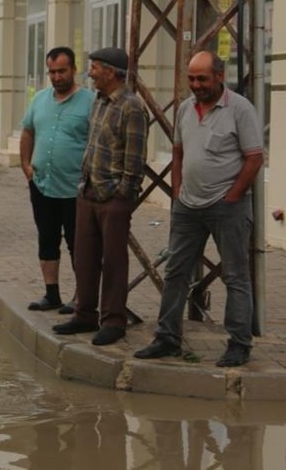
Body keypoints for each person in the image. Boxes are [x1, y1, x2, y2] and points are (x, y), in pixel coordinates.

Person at [135, 51, 263, 367]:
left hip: (227, 207)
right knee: (176, 271)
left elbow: (255, 158)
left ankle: (239, 344)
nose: (196, 85)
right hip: (187, 207)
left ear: (220, 76)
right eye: (191, 79)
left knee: (235, 276)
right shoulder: (185, 111)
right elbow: (177, 152)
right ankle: (167, 338)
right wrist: (177, 193)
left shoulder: (240, 110)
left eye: (202, 78)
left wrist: (232, 197)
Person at [53, 47, 148, 346]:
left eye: (94, 67)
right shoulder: (99, 101)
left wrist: (122, 194)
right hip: (88, 192)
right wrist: (85, 183)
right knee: (85, 258)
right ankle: (85, 314)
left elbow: (135, 159)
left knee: (114, 261)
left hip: (113, 198)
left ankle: (113, 320)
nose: (90, 73)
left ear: (110, 71)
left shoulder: (131, 107)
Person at [20, 47, 94, 314]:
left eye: (61, 71)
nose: (56, 77)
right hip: (42, 184)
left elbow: (95, 142)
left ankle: (81, 296)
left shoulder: (90, 101)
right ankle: (52, 294)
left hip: (75, 189)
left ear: (74, 70)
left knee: (79, 243)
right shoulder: (39, 99)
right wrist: (26, 166)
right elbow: (28, 131)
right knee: (47, 239)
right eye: (52, 72)